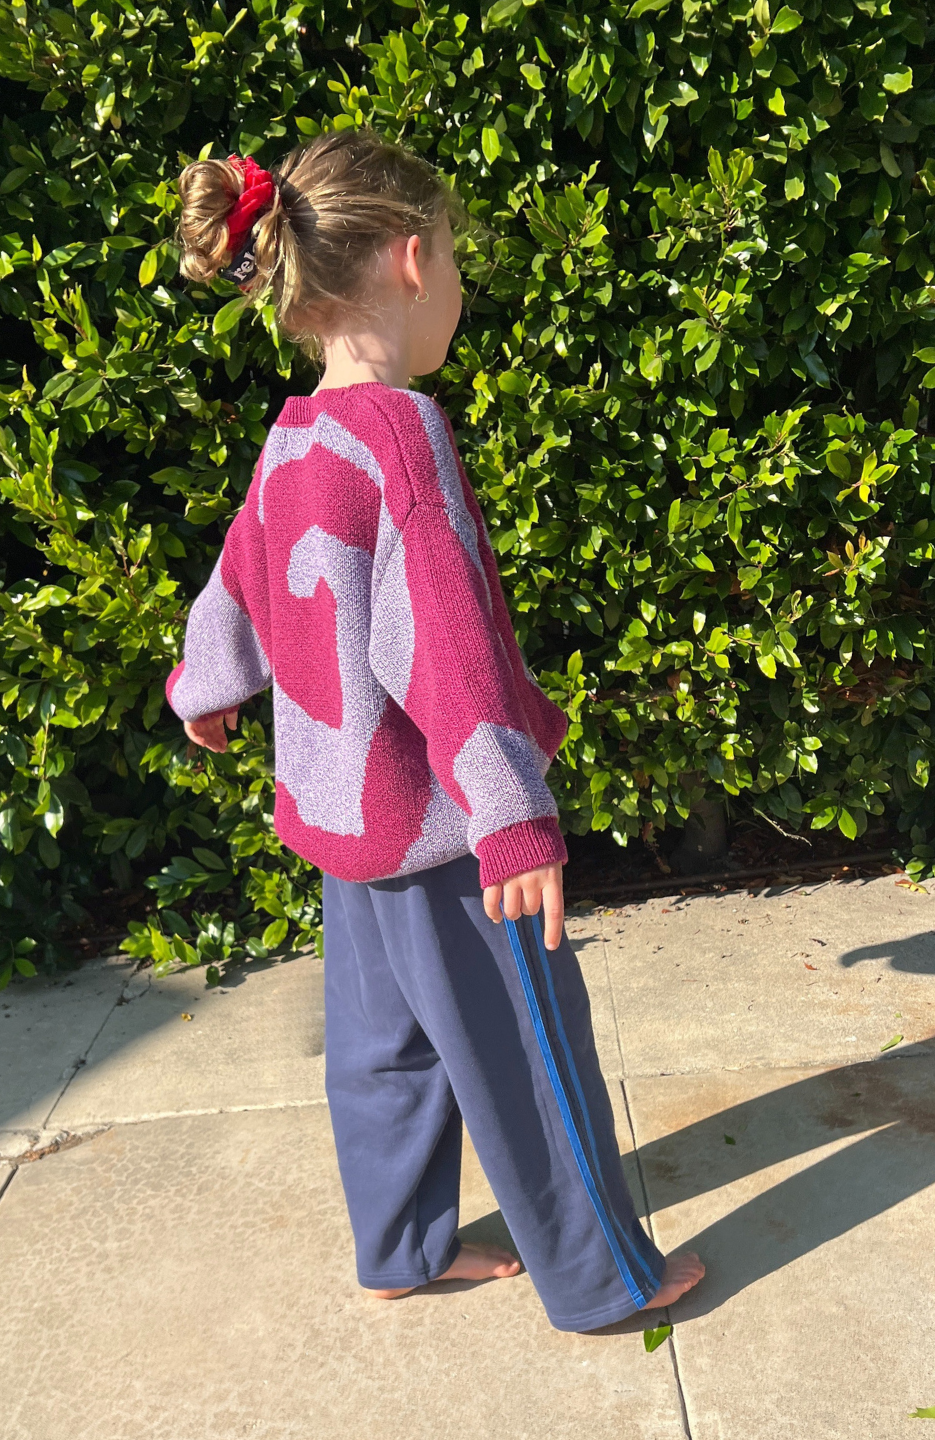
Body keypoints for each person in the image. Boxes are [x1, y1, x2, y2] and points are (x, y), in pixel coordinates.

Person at [168, 129, 704, 1331]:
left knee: (381, 1052)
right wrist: (516, 820)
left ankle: (401, 1247)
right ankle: (603, 1279)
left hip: (344, 826)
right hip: (443, 836)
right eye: (456, 260)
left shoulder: (296, 435)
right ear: (411, 261)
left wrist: (209, 685)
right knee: (531, 1056)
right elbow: (450, 653)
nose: (458, 286)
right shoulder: (402, 436)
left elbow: (240, 579)